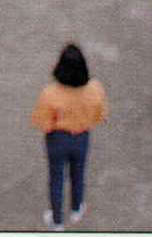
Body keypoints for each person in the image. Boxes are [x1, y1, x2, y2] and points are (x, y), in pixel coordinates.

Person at [31, 44, 108, 232]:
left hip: (58, 138)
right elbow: (100, 115)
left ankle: (57, 220)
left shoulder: (50, 93)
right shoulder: (95, 89)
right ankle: (76, 208)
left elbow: (43, 122)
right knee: (78, 173)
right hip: (81, 136)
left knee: (56, 178)